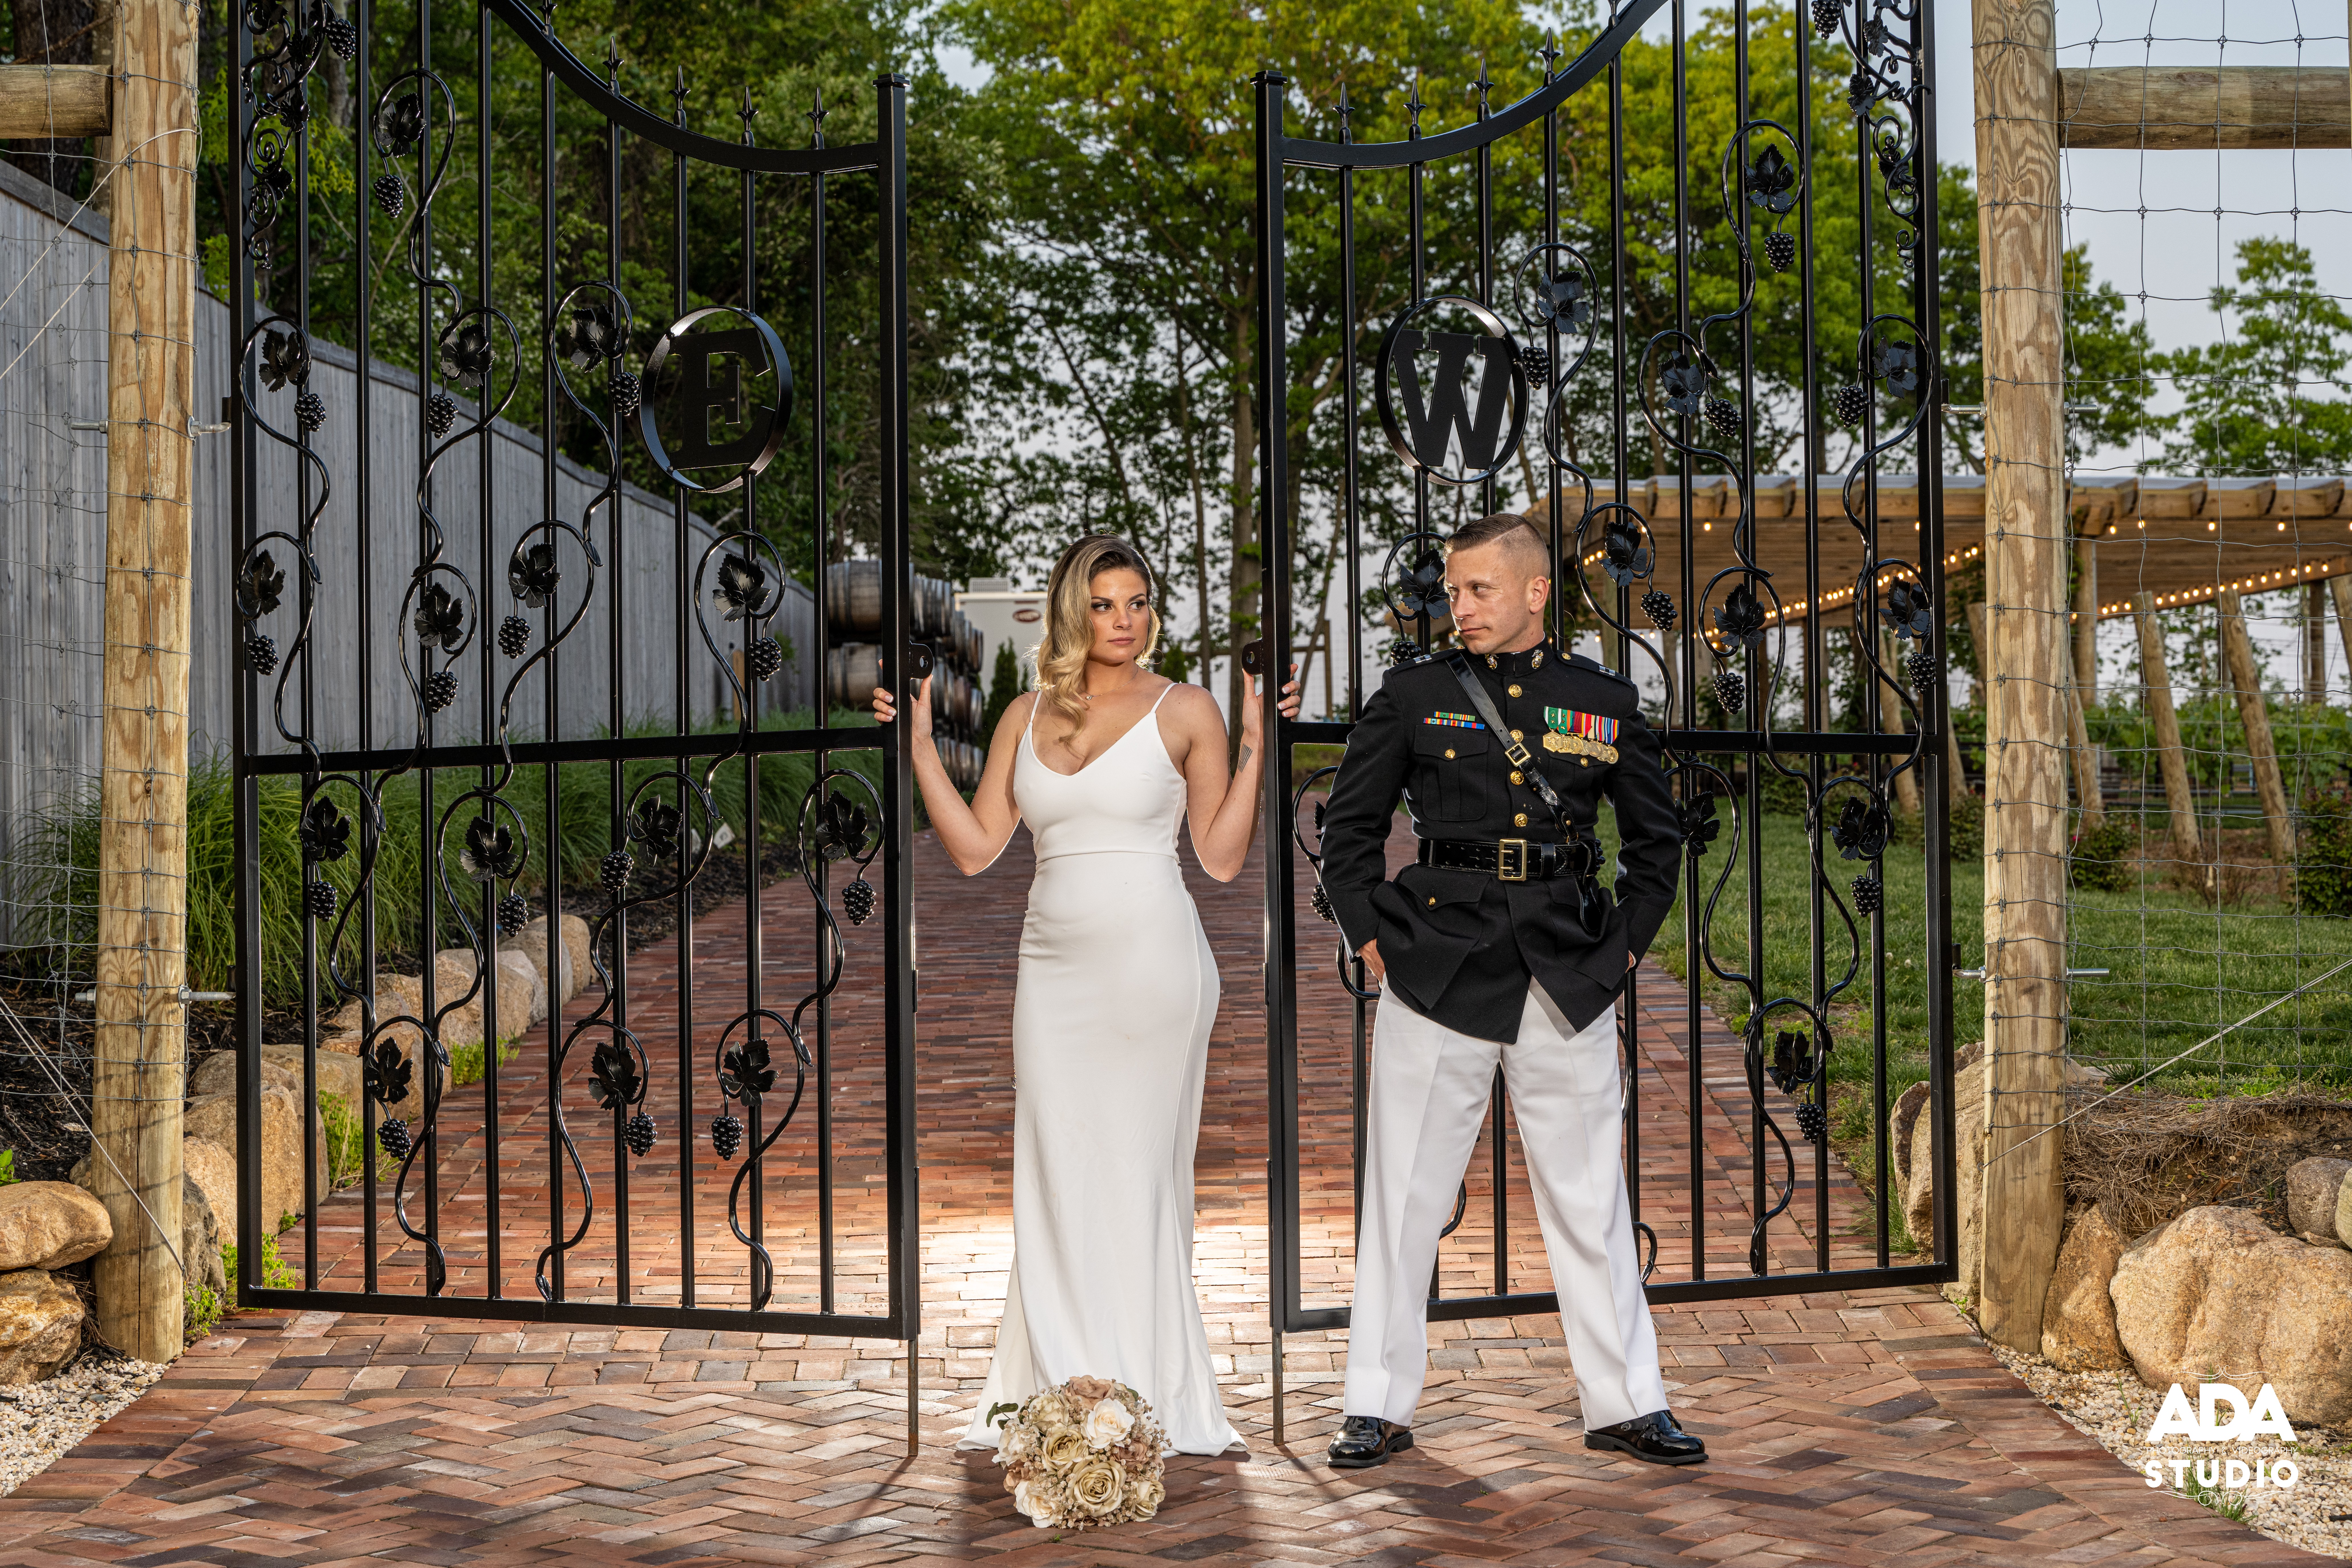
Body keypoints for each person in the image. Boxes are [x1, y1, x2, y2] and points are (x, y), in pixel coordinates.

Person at [871, 533, 1299, 1456]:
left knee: (1140, 1176)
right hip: (1052, 976)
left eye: (1138, 603)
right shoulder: (1023, 715)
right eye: (1104, 605)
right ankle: (1062, 1389)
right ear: (1074, 611)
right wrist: (918, 747)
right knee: (1055, 1167)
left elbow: (1223, 859)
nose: (1124, 621)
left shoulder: (1185, 710)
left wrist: (1258, 743)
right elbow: (976, 849)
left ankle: (1145, 1390)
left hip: (1155, 970)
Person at [1313, 511, 1703, 1469]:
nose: (1461, 606)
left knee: (1589, 1197)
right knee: (1404, 1194)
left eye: (1479, 589)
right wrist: (1372, 937)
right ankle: (1376, 1403)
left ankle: (1627, 1404)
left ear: (1536, 592)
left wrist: (1620, 956)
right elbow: (1348, 832)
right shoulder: (1415, 695)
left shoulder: (1600, 700)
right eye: (1454, 590)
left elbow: (1657, 847)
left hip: (1564, 967)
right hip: (1437, 963)